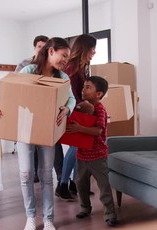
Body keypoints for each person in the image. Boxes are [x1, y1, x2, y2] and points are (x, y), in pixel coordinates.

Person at [0, 37, 76, 230]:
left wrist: (67, 109)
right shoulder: (29, 71)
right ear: (51, 51)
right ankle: (31, 216)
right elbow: (12, 93)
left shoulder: (63, 77)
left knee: (46, 176)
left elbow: (71, 98)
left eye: (67, 57)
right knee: (25, 174)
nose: (65, 60)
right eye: (63, 55)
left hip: (47, 129)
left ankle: (48, 219)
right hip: (25, 129)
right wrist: (0, 107)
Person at [66, 76, 119, 227]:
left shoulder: (100, 109)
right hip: (82, 155)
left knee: (104, 186)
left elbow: (97, 131)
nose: (83, 90)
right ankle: (85, 208)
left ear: (99, 94)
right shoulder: (81, 107)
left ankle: (110, 213)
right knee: (80, 184)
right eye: (83, 87)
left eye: (88, 87)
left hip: (97, 156)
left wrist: (79, 128)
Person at [56, 34, 97, 201]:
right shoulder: (72, 68)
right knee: (75, 148)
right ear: (84, 48)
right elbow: (70, 94)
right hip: (71, 110)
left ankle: (72, 182)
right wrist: (84, 105)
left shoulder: (81, 66)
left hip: (77, 110)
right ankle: (63, 184)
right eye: (92, 49)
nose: (94, 52)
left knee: (77, 148)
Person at [15, 35, 49, 183]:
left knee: (48, 145)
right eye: (39, 46)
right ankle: (33, 173)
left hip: (44, 110)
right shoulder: (25, 65)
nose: (42, 49)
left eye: (45, 47)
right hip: (27, 109)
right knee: (30, 145)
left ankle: (58, 177)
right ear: (35, 47)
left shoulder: (50, 66)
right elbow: (15, 84)